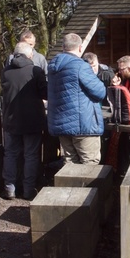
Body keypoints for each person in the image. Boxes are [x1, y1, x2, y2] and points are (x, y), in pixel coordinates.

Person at [47, 33, 107, 164]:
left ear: (63, 47)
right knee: (89, 162)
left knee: (69, 163)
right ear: (80, 48)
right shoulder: (80, 66)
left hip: (61, 124)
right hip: (82, 123)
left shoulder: (52, 66)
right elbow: (100, 92)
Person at [1, 42, 48, 200]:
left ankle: (9, 188)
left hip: (11, 119)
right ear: (30, 55)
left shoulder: (6, 72)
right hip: (32, 120)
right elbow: (45, 93)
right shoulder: (36, 71)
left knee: (11, 154)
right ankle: (28, 190)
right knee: (31, 155)